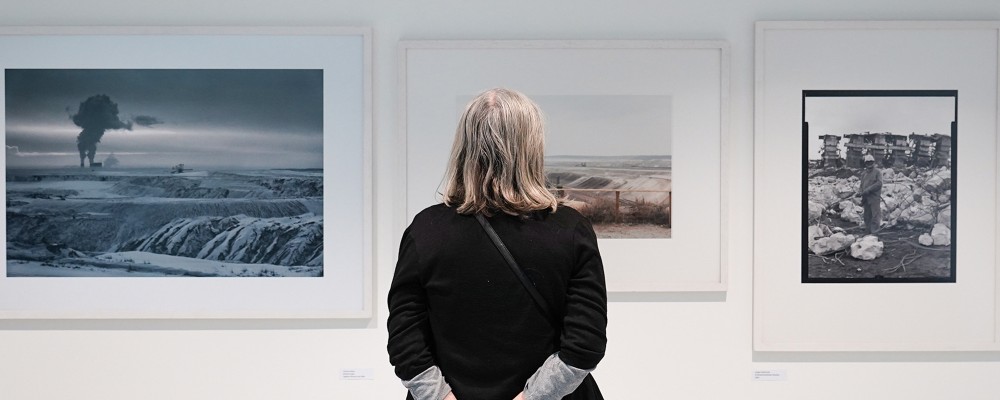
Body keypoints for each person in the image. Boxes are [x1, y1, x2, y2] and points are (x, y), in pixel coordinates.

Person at [387, 88, 608, 400]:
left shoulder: (427, 230)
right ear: (532, 146)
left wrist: (441, 397)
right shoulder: (571, 230)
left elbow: (404, 338)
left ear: (464, 146)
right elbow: (584, 344)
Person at [857, 153, 882, 234]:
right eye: (868, 162)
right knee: (867, 216)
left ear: (873, 162)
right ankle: (868, 231)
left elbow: (879, 183)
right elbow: (861, 185)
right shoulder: (863, 174)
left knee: (875, 216)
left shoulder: (877, 172)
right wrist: (860, 192)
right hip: (865, 198)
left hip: (874, 198)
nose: (869, 164)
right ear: (865, 163)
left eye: (871, 162)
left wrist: (868, 189)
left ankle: (875, 232)